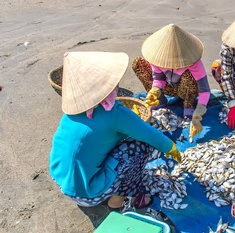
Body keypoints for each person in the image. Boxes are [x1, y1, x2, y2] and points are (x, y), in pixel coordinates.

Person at [49, 51, 182, 211]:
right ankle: (117, 201)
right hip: (88, 194)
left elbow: (98, 132)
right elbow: (150, 135)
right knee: (140, 146)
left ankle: (99, 185)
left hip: (62, 180)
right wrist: (170, 147)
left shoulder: (72, 111)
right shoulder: (114, 112)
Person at [132, 24, 211, 139]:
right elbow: (159, 79)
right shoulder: (157, 58)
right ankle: (161, 101)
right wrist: (155, 91)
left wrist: (198, 114)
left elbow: (204, 90)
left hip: (186, 90)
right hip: (168, 86)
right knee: (138, 63)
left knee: (188, 74)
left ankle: (188, 105)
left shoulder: (192, 61)